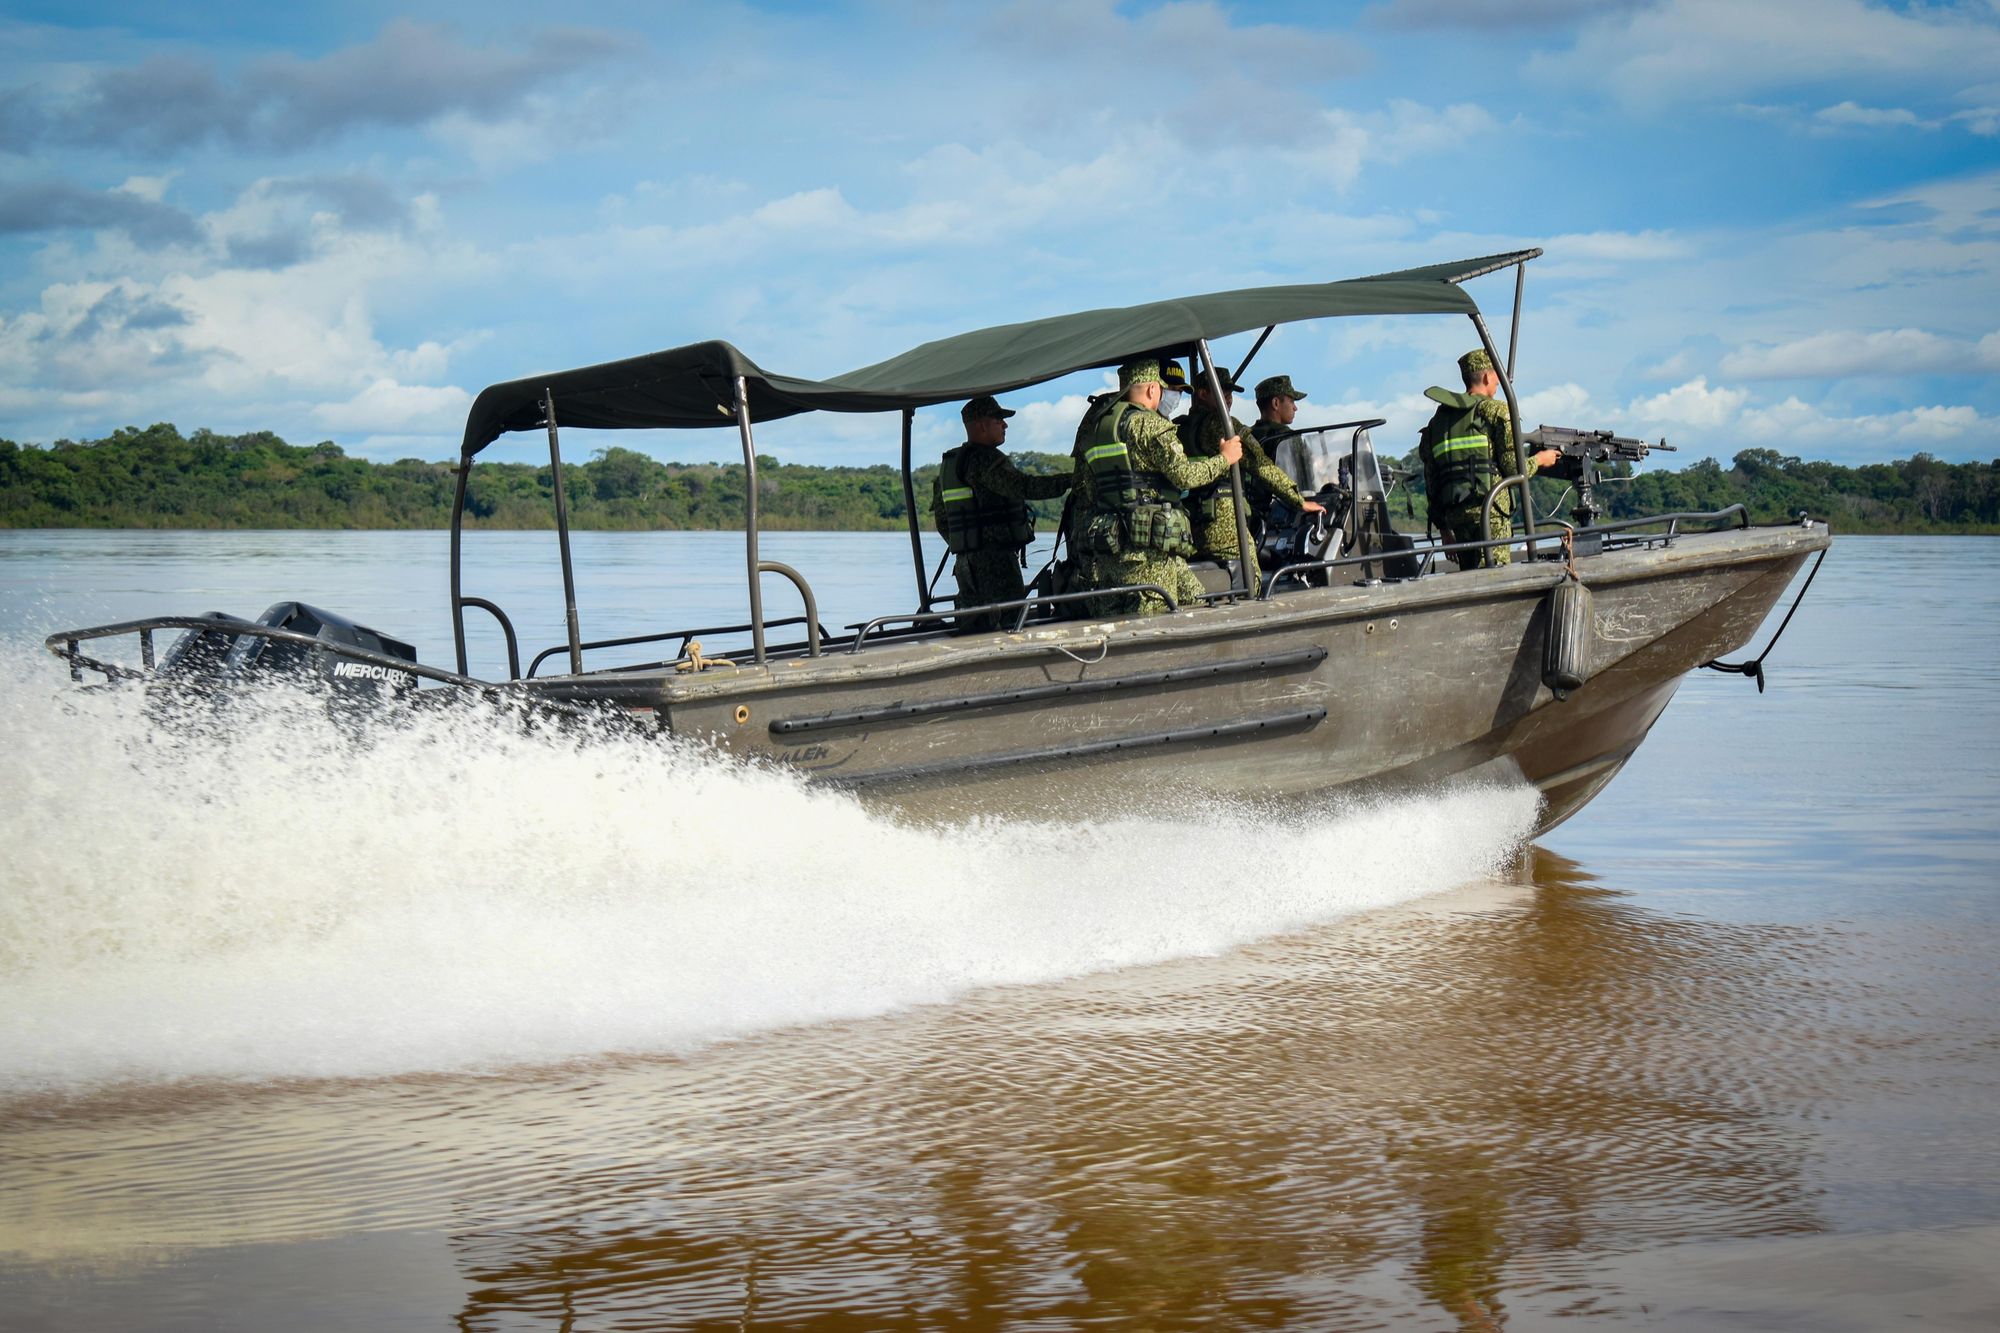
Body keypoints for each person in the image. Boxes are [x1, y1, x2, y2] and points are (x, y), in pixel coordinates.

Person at [1071, 358, 1241, 616]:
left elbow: (1086, 489)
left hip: (1110, 552)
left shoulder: (1096, 429)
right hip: (1149, 556)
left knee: (1196, 600)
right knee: (1158, 622)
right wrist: (1225, 458)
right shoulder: (1150, 425)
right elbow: (1185, 476)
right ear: (1153, 389)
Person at [932, 395, 1073, 630]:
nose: (1005, 425)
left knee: (975, 626)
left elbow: (942, 520)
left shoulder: (952, 464)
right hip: (995, 563)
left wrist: (968, 546)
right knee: (1011, 625)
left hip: (966, 565)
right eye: (999, 419)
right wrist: (1071, 479)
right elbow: (1024, 486)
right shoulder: (986, 460)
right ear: (982, 425)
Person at [1178, 366, 1321, 589]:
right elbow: (1261, 464)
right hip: (1222, 523)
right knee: (1249, 580)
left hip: (1188, 525)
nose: (1228, 399)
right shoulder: (1223, 425)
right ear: (1202, 394)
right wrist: (1298, 500)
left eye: (1229, 393)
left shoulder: (1180, 428)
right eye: (1221, 392)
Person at [1417, 350, 1558, 569]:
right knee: (1494, 574)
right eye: (1496, 378)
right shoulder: (1497, 411)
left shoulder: (1438, 422)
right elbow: (1514, 468)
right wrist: (1540, 460)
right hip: (1490, 512)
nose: (1499, 385)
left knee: (1470, 578)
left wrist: (1444, 530)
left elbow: (1432, 481)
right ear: (1486, 377)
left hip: (1456, 517)